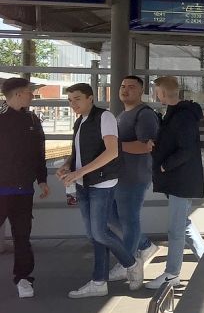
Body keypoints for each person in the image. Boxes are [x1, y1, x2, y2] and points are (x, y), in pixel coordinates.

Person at [59, 83, 143, 298]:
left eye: (77, 99)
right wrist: (68, 165)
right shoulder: (80, 122)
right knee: (94, 235)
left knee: (99, 232)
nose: (73, 104)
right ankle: (99, 281)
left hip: (101, 184)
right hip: (84, 184)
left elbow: (112, 152)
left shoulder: (104, 117)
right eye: (69, 100)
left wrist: (79, 173)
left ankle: (131, 263)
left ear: (90, 98)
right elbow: (77, 152)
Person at [146, 76, 204, 289]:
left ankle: (172, 274)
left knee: (175, 229)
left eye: (156, 92)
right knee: (183, 224)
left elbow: (186, 149)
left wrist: (165, 166)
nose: (155, 95)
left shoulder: (182, 117)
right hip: (178, 179)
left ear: (162, 93)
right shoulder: (176, 115)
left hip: (180, 180)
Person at [106, 76, 160, 284]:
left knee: (129, 219)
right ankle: (145, 245)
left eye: (131, 87)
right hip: (120, 175)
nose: (125, 90)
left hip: (135, 175)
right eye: (122, 86)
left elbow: (145, 146)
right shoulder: (123, 114)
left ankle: (127, 261)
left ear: (141, 91)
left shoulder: (144, 114)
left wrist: (114, 146)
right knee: (110, 216)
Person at [0, 78, 49, 298]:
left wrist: (42, 179)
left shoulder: (33, 120)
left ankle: (23, 279)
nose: (32, 95)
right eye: (30, 92)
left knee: (22, 236)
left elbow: (39, 154)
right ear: (19, 94)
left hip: (23, 192)